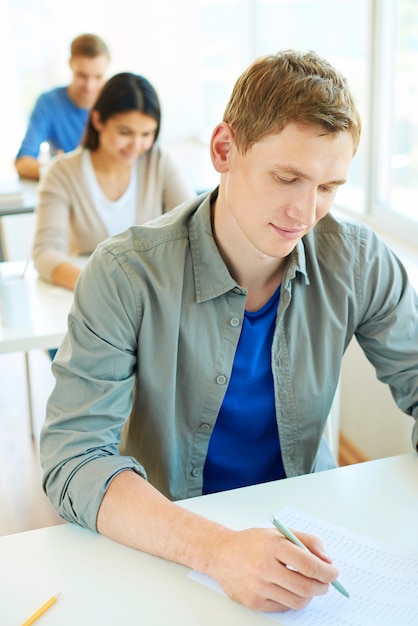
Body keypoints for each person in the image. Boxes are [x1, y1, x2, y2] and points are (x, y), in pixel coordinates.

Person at [40, 50, 418, 614]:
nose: (305, 212)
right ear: (224, 149)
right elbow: (73, 460)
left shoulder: (359, 260)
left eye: (328, 187)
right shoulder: (124, 273)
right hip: (166, 541)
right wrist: (217, 550)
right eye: (286, 177)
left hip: (307, 540)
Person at [32, 72, 195, 290]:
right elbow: (45, 253)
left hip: (153, 296)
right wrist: (104, 288)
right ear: (98, 120)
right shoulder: (61, 173)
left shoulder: (158, 162)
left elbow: (196, 228)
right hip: (92, 296)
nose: (136, 145)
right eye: (125, 132)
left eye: (147, 134)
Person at [15, 33, 110, 181]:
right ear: (70, 64)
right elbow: (23, 164)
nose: (89, 86)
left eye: (98, 77)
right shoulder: (49, 103)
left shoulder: (115, 104)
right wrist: (61, 170)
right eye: (82, 76)